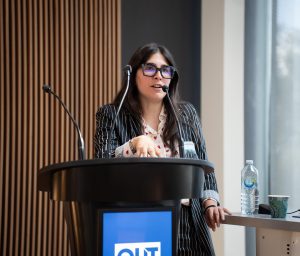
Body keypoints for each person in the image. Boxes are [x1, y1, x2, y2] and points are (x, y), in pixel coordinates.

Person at [94, 42, 230, 256]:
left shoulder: (185, 113)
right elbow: (101, 163)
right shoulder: (112, 114)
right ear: (133, 73)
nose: (159, 76)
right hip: (137, 222)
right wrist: (132, 144)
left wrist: (210, 204)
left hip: (187, 222)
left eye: (166, 70)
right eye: (150, 68)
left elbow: (203, 167)